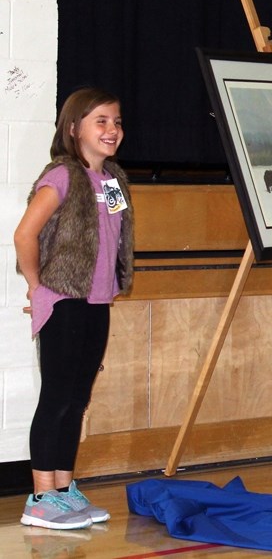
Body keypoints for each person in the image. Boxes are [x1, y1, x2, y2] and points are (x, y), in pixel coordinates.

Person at [14, 87, 134, 529]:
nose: (112, 129)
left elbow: (119, 235)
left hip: (97, 303)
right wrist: (35, 286)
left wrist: (116, 279)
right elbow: (25, 234)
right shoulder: (63, 176)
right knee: (57, 398)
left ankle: (65, 491)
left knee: (77, 399)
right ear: (73, 128)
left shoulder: (114, 182)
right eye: (100, 120)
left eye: (117, 121)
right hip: (64, 301)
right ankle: (41, 497)